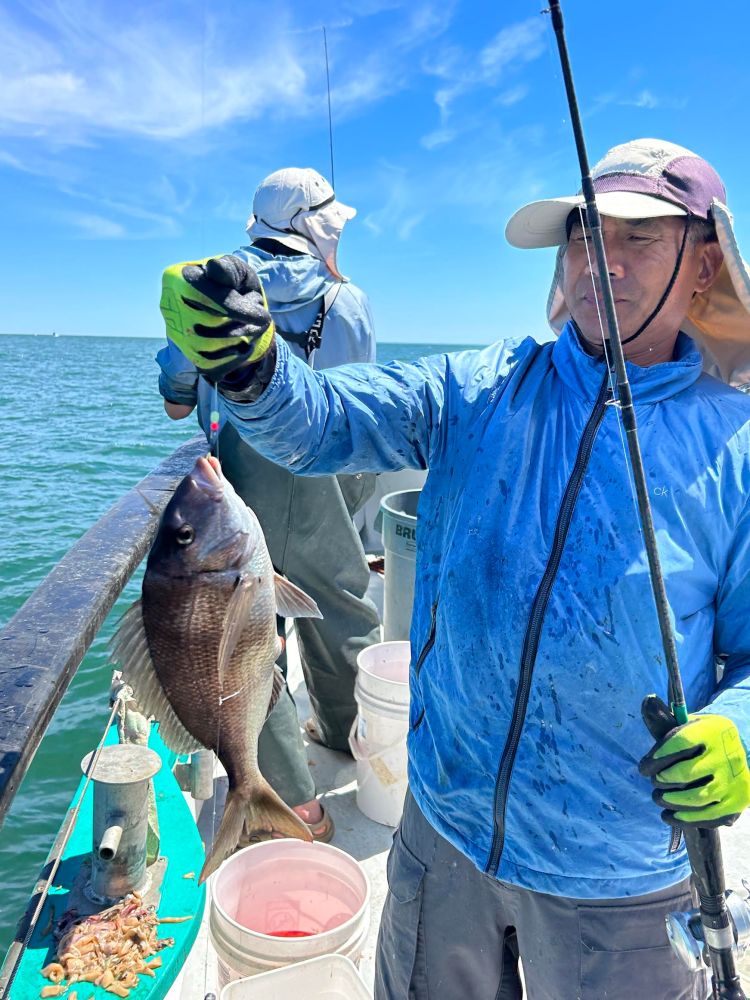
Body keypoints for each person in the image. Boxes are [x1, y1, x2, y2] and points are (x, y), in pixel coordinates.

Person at [159, 138, 750, 999]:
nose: (601, 262)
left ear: (705, 266)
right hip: (444, 830)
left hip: (617, 876)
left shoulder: (737, 448)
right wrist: (251, 370)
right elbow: (320, 421)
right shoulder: (481, 387)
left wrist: (739, 730)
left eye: (640, 239)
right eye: (585, 237)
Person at [157, 167, 382, 841]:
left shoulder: (209, 293)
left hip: (238, 478)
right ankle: (345, 740)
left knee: (251, 638)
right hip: (327, 471)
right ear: (315, 226)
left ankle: (291, 799)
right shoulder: (347, 302)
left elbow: (175, 401)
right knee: (342, 604)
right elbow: (363, 404)